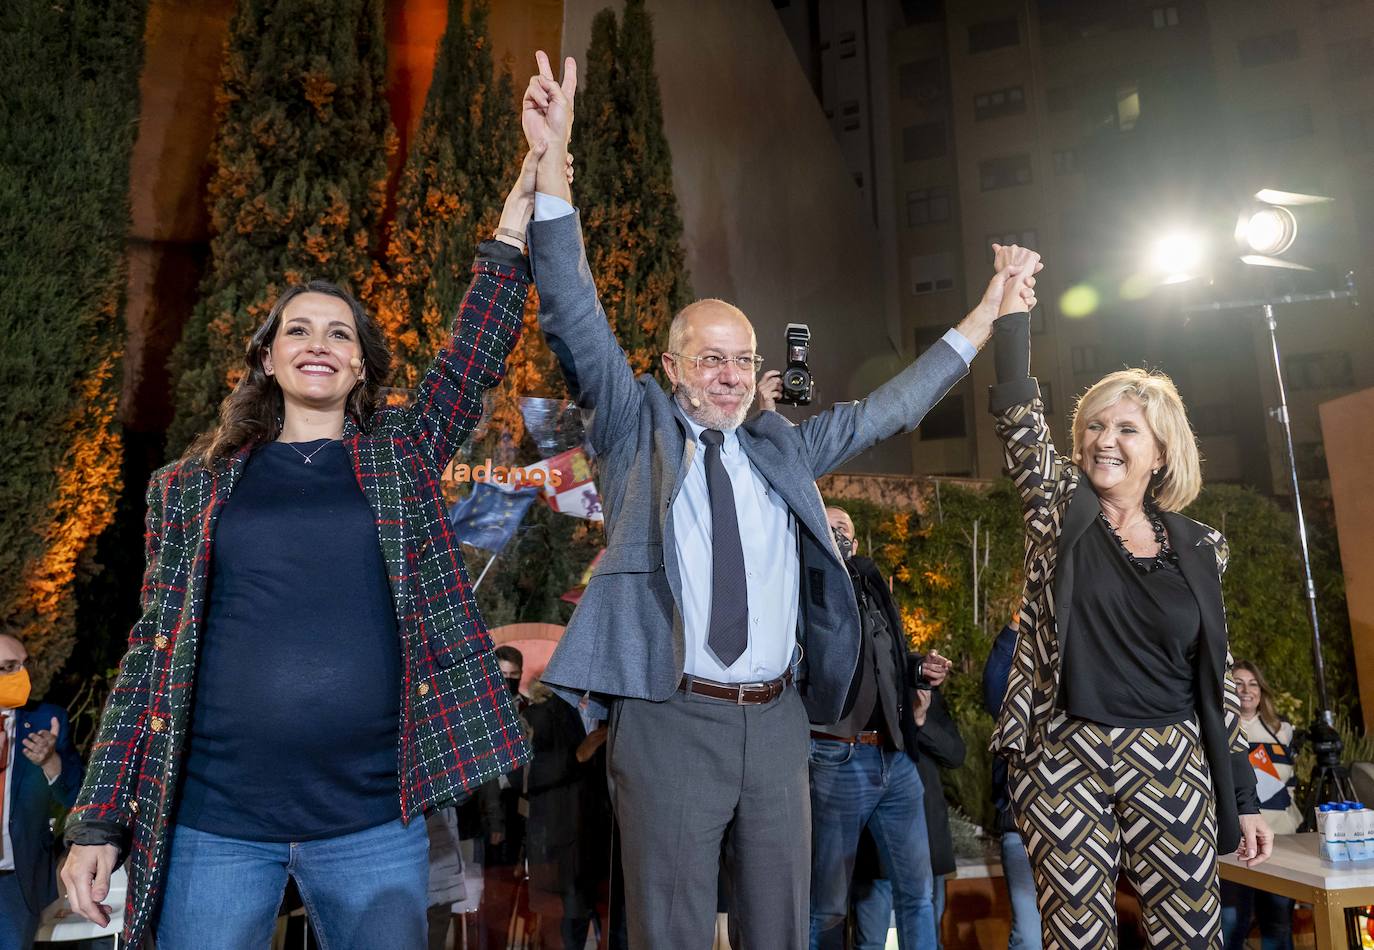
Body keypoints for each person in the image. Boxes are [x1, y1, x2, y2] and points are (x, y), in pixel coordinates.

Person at [517, 51, 1038, 946]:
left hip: (780, 721)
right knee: (671, 930)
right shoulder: (632, 425)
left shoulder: (782, 446)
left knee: (781, 931)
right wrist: (554, 164)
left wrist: (986, 317)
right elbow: (573, 310)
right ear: (672, 367)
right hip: (670, 717)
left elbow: (888, 408)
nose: (728, 373)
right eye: (707, 356)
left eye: (742, 357)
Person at [58, 146, 549, 949]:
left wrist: (511, 224)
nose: (318, 343)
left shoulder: (399, 459)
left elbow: (470, 363)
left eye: (338, 334)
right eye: (298, 330)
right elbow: (151, 655)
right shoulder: (190, 488)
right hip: (214, 824)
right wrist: (100, 820)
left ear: (360, 364)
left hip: (370, 817)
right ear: (267, 356)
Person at [986, 243, 1274, 948]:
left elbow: (1214, 677)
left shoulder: (1202, 546)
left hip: (1173, 757)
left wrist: (1243, 798)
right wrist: (1013, 309)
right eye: (1092, 426)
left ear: (1161, 451)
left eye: (1124, 429)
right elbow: (1021, 417)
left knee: (1191, 935)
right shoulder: (1060, 509)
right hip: (1064, 752)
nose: (1101, 440)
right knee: (1077, 936)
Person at [807, 505, 952, 949]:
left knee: (918, 893)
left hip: (893, 758)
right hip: (837, 756)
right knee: (826, 904)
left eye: (845, 526)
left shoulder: (871, 586)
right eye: (829, 526)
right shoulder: (806, 586)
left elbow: (882, 661)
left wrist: (917, 670)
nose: (839, 532)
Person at [850, 684, 966, 950]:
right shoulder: (862, 688)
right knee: (869, 941)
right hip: (874, 846)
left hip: (925, 840)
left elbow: (955, 754)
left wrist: (920, 721)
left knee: (926, 939)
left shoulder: (921, 689)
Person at [0, 634, 84, 950]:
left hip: (13, 882)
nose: (21, 676)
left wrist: (50, 761)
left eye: (24, 665)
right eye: (8, 667)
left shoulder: (46, 722)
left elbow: (75, 797)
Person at [524, 683, 622, 950]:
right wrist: (579, 755)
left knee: (616, 922)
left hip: (612, 835)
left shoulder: (620, 710)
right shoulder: (545, 713)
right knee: (571, 921)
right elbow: (534, 774)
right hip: (567, 834)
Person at [1220, 660, 1301, 950]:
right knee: (1230, 922)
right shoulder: (1219, 733)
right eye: (1238, 682)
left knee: (1277, 923)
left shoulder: (1283, 731)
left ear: (1261, 690)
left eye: (1253, 683)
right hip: (1234, 844)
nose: (1246, 689)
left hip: (1279, 841)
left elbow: (1290, 783)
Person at [983, 620, 1042, 950]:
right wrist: (1017, 623)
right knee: (1029, 937)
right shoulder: (1021, 690)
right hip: (1021, 826)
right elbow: (994, 690)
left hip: (1082, 826)